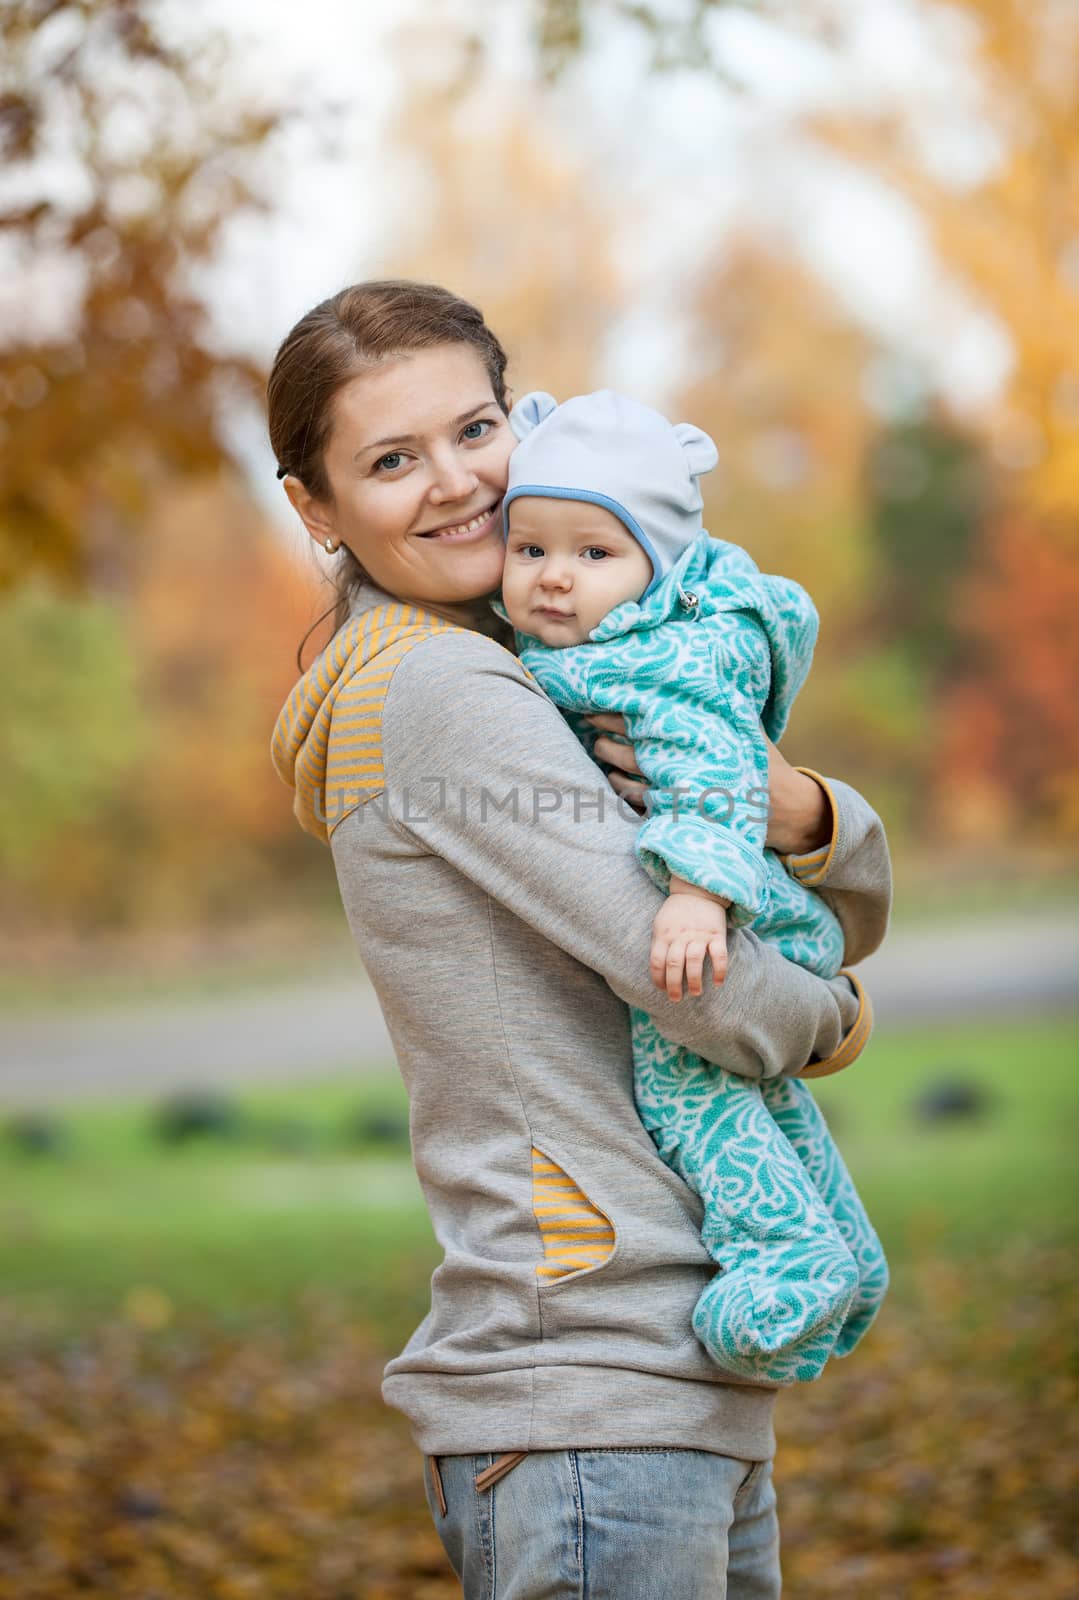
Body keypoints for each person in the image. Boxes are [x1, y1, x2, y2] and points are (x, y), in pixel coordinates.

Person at [268, 279, 892, 1599]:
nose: (455, 486)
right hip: (582, 1387)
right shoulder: (441, 688)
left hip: (657, 1383)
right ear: (315, 508)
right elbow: (710, 992)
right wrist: (836, 1013)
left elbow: (798, 893)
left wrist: (806, 813)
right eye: (390, 461)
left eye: (474, 430)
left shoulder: (574, 658)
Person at [498, 387, 889, 1388]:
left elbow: (715, 766)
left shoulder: (650, 658)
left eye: (593, 554)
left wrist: (694, 895)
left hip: (726, 908)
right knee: (764, 1101)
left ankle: (787, 1262)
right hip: (773, 913)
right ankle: (843, 1250)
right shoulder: (642, 632)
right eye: (529, 548)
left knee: (687, 1091)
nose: (551, 580)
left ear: (654, 568)